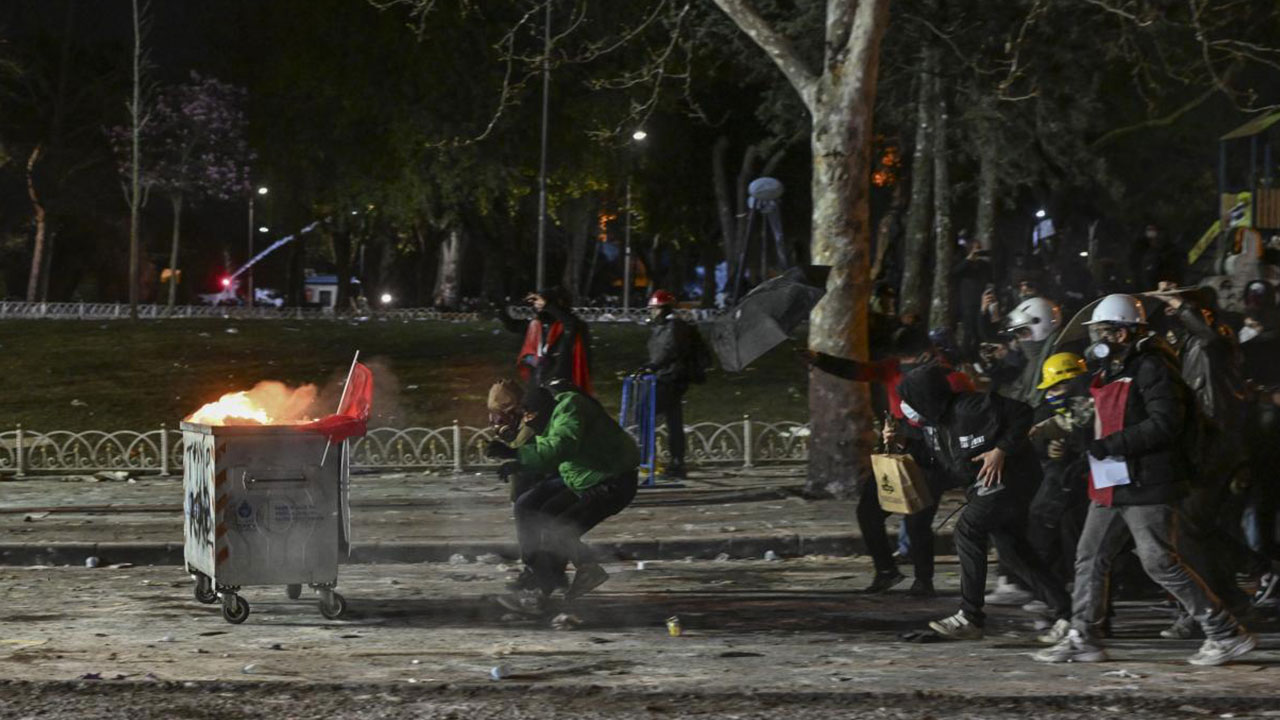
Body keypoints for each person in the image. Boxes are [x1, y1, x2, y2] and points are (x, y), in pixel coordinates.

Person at [1034, 294, 1256, 666]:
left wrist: (1112, 444)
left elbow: (1165, 423)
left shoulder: (1153, 367)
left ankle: (1224, 632)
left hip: (1146, 480)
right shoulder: (1113, 370)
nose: (1095, 340)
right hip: (1113, 480)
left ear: (1123, 333)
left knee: (1158, 561)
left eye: (1101, 331)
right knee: (1090, 556)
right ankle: (1082, 636)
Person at [894, 365, 1072, 641]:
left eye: (911, 400)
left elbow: (1023, 413)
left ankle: (970, 617)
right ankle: (1067, 611)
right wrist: (900, 442)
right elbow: (939, 462)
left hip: (1012, 480)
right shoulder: (936, 426)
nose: (907, 408)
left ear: (926, 397)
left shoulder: (971, 406)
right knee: (1014, 552)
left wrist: (1001, 450)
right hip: (986, 487)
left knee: (968, 529)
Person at [810, 325, 975, 597]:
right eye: (902, 358)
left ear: (926, 353)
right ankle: (886, 571)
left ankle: (924, 581)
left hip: (930, 454)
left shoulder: (950, 378)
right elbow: (859, 371)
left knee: (917, 520)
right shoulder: (892, 368)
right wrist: (820, 359)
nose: (905, 365)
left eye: (910, 358)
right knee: (869, 511)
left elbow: (963, 418)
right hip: (896, 450)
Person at [487, 381, 640, 613]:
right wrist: (518, 463)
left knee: (557, 529)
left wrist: (514, 453)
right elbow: (548, 451)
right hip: (581, 477)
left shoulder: (570, 409)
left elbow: (560, 447)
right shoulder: (548, 416)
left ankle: (541, 591)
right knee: (528, 506)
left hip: (611, 481)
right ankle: (552, 573)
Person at [1025, 353, 1093, 592]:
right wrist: (1047, 448)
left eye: (1059, 387)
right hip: (1059, 482)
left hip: (1088, 481)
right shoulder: (1044, 411)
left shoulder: (1093, 407)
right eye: (1050, 389)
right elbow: (1033, 441)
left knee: (1073, 528)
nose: (1053, 394)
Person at [641, 290, 698, 479]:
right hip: (666, 377)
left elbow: (669, 350)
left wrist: (653, 366)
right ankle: (676, 462)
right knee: (673, 421)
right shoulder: (665, 326)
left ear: (663, 309)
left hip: (670, 378)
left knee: (646, 414)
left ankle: (652, 459)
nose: (652, 312)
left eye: (655, 309)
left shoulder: (674, 327)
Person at [498, 287, 593, 393]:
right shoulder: (536, 324)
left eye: (543, 301)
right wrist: (503, 307)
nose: (538, 304)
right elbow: (513, 326)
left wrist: (547, 305)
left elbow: (571, 324)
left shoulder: (571, 325)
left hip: (560, 382)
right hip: (537, 379)